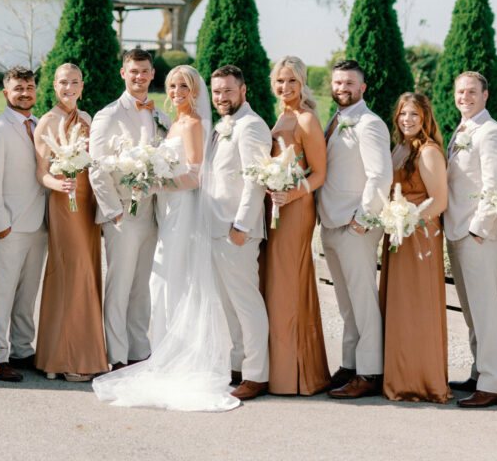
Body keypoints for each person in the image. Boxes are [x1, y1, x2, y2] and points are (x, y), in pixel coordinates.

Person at [94, 64, 238, 411]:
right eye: (172, 86)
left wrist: (155, 183)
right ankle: (162, 352)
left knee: (175, 283)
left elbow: (195, 175)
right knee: (162, 284)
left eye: (183, 87)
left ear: (195, 91)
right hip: (166, 212)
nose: (176, 93)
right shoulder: (170, 121)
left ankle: (180, 358)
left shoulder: (191, 124)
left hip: (183, 212)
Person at [88, 48, 171, 370]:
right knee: (119, 286)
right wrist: (114, 213)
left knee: (142, 287)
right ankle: (117, 355)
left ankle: (140, 350)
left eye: (145, 71)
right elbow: (96, 168)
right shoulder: (107, 115)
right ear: (123, 73)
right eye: (133, 71)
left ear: (152, 74)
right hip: (121, 212)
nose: (139, 76)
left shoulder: (161, 117)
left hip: (151, 213)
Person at [318, 59, 392, 400]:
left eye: (349, 83)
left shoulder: (370, 123)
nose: (342, 88)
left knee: (362, 301)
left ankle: (370, 372)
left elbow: (380, 176)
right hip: (331, 222)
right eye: (337, 83)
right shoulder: (334, 119)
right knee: (346, 303)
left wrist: (363, 220)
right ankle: (349, 365)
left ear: (362, 88)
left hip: (354, 226)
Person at [33, 63, 108, 382]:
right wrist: (57, 185)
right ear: (54, 85)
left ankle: (61, 358)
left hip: (87, 204)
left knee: (86, 273)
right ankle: (65, 358)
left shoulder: (88, 118)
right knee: (69, 274)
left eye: (75, 82)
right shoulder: (47, 122)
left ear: (81, 85)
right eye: (64, 82)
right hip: (64, 203)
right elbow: (42, 171)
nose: (69, 87)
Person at [0, 66, 48, 382]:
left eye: (29, 87)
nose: (25, 93)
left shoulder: (41, 125)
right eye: (18, 88)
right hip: (9, 226)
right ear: (6, 93)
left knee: (27, 294)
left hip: (39, 226)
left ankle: (21, 349)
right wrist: (0, 223)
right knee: (1, 294)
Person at [444, 71, 497, 408]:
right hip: (455, 231)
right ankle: (478, 371)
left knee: (484, 310)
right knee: (470, 311)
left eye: (472, 91)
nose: (465, 97)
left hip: (477, 236)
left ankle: (494, 383)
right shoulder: (461, 129)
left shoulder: (492, 132)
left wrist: (477, 229)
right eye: (460, 91)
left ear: (485, 95)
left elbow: (494, 186)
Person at [205, 65, 272, 401]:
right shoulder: (221, 125)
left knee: (246, 303)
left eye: (228, 91)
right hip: (216, 226)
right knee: (228, 304)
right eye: (217, 91)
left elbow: (255, 178)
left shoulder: (251, 126)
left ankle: (257, 374)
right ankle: (237, 365)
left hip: (237, 230)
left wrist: (241, 226)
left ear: (243, 91)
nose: (221, 97)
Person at [264, 56, 330, 395]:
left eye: (292, 81)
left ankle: (296, 374)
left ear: (302, 83)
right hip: (277, 205)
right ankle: (277, 366)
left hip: (296, 207)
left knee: (288, 283)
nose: (285, 87)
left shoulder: (306, 120)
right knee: (275, 282)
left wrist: (291, 196)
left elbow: (318, 172)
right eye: (280, 81)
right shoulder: (282, 116)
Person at [379, 92, 451, 402]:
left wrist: (408, 220)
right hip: (397, 233)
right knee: (399, 306)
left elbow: (440, 200)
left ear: (425, 119)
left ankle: (421, 379)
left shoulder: (429, 151)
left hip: (419, 233)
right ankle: (399, 373)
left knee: (417, 306)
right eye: (403, 114)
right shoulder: (399, 147)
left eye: (414, 116)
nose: (407, 120)